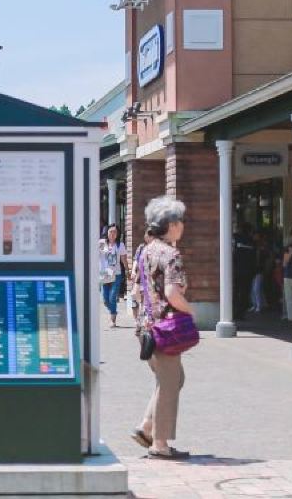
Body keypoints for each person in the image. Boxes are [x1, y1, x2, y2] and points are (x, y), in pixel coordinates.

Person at [130, 196, 193, 460]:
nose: (183, 226)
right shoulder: (171, 254)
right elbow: (172, 293)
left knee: (174, 379)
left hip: (147, 328)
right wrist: (190, 310)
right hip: (166, 329)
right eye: (181, 221)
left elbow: (137, 288)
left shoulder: (146, 251)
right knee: (169, 384)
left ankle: (146, 426)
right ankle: (159, 443)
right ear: (172, 224)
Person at [98, 224, 128, 327]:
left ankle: (113, 320)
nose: (112, 234)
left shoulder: (120, 245)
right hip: (104, 273)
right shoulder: (102, 243)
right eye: (111, 231)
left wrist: (127, 270)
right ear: (107, 232)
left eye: (115, 232)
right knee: (105, 300)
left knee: (112, 296)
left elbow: (124, 259)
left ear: (117, 234)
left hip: (116, 273)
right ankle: (113, 311)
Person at [281, 227, 292, 323]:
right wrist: (290, 253)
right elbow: (284, 263)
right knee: (291, 299)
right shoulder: (288, 248)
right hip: (289, 276)